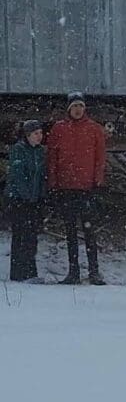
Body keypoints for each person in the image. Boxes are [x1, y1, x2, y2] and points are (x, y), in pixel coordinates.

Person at [47, 91, 107, 285]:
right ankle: (73, 272)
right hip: (66, 188)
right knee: (70, 232)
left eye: (80, 106)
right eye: (74, 107)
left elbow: (100, 158)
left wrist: (97, 181)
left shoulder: (94, 129)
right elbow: (52, 159)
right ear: (68, 109)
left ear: (85, 108)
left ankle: (94, 271)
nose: (78, 110)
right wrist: (53, 183)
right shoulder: (59, 129)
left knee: (89, 232)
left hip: (87, 187)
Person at [4, 120, 47, 283]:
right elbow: (18, 175)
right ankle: (18, 272)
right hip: (19, 199)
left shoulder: (40, 152)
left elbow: (41, 176)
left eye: (40, 133)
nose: (39, 136)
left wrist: (40, 196)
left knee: (31, 236)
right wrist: (27, 195)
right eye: (36, 134)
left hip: (34, 200)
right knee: (20, 235)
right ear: (28, 135)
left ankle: (30, 271)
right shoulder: (19, 150)